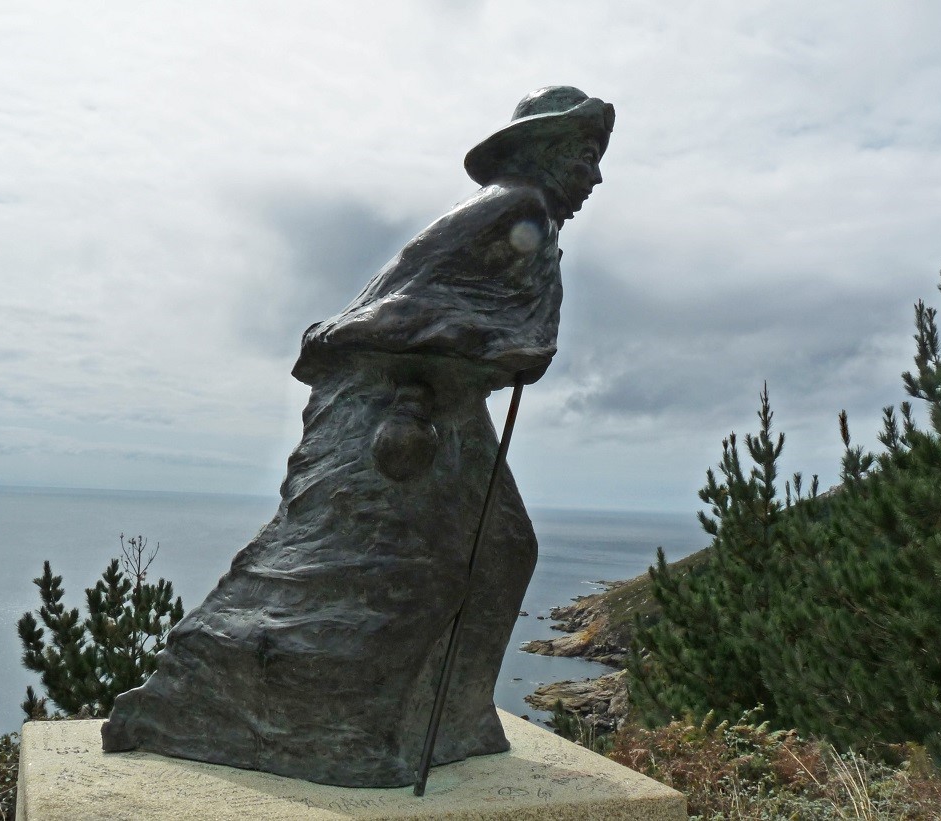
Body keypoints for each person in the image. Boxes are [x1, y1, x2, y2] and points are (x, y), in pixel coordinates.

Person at [102, 86, 614, 788]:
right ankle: (336, 724)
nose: (595, 176)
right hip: (398, 403)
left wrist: (498, 351)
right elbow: (398, 305)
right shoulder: (511, 206)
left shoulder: (535, 224)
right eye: (585, 156)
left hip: (440, 400)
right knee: (417, 564)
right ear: (544, 152)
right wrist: (483, 344)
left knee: (497, 548)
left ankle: (449, 718)